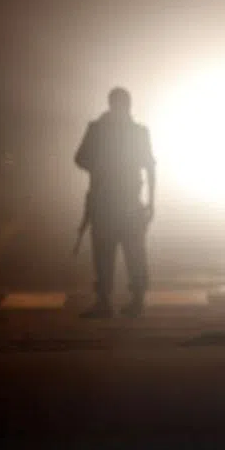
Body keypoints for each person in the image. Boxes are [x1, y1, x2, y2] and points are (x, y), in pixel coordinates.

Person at [74, 87, 155, 319]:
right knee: (128, 254)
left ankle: (108, 301)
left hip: (110, 203)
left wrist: (99, 167)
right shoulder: (135, 132)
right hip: (121, 202)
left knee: (111, 254)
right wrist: (151, 202)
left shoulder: (99, 130)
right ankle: (127, 301)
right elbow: (149, 168)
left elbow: (80, 159)